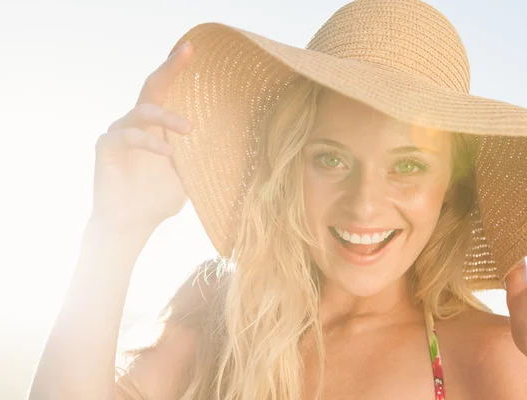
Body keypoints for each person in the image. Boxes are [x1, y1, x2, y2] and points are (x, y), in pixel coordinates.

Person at [28, 0, 527, 399]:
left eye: (408, 166)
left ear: (451, 191)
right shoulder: (217, 321)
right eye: (331, 159)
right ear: (289, 166)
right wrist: (114, 230)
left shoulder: (492, 354)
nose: (364, 206)